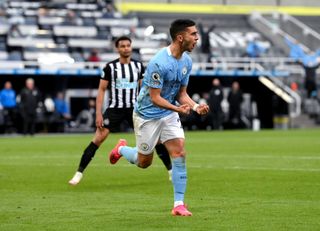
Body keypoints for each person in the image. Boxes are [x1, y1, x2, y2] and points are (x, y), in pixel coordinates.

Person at [109, 20, 209, 216]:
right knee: (144, 162)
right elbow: (155, 98)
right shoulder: (159, 62)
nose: (197, 38)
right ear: (181, 38)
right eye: (193, 34)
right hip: (147, 115)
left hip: (169, 113)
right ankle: (121, 149)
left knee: (179, 153)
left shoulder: (187, 61)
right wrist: (178, 109)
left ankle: (179, 204)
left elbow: (181, 93)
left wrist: (196, 106)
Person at [69, 36, 172, 186]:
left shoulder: (138, 67)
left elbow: (145, 90)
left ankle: (170, 171)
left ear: (131, 47)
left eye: (128, 45)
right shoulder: (110, 68)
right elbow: (101, 90)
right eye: (122, 46)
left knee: (155, 139)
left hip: (135, 109)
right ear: (117, 49)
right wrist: (98, 113)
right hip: (114, 109)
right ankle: (78, 173)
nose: (125, 48)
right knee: (97, 140)